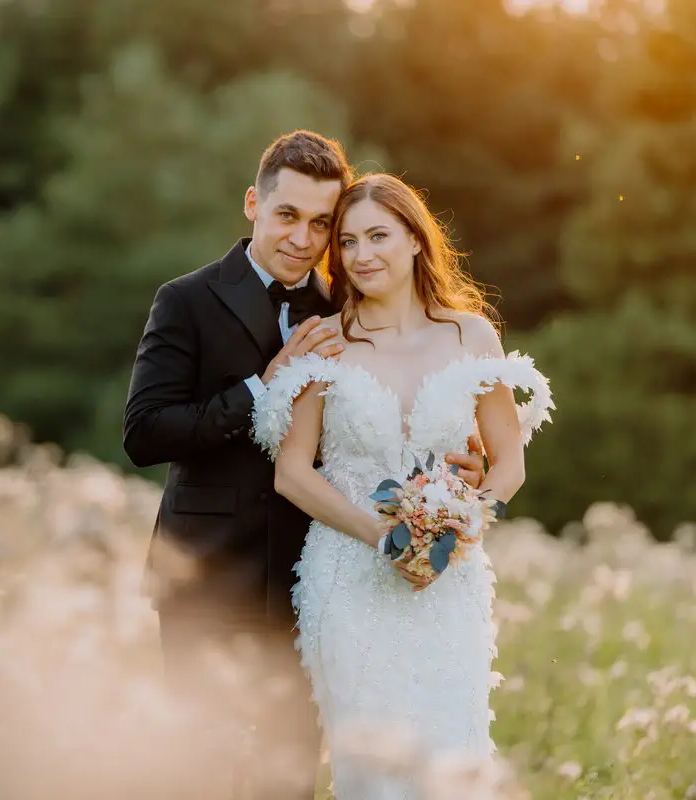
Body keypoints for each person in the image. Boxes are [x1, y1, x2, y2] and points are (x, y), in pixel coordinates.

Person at [122, 132, 486, 798]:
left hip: (308, 586)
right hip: (205, 576)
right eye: (288, 215)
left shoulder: (347, 315)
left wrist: (457, 462)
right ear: (253, 203)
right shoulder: (187, 301)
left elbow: (380, 421)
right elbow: (145, 433)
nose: (303, 237)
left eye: (323, 223)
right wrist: (262, 386)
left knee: (287, 781)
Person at [251, 173, 555, 798]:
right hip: (347, 581)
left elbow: (508, 464)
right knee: (374, 774)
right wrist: (383, 537)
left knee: (452, 758)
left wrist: (463, 520)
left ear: (417, 239)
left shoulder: (471, 334)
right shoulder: (328, 340)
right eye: (350, 242)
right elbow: (292, 472)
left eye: (379, 236)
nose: (363, 256)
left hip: (450, 583)